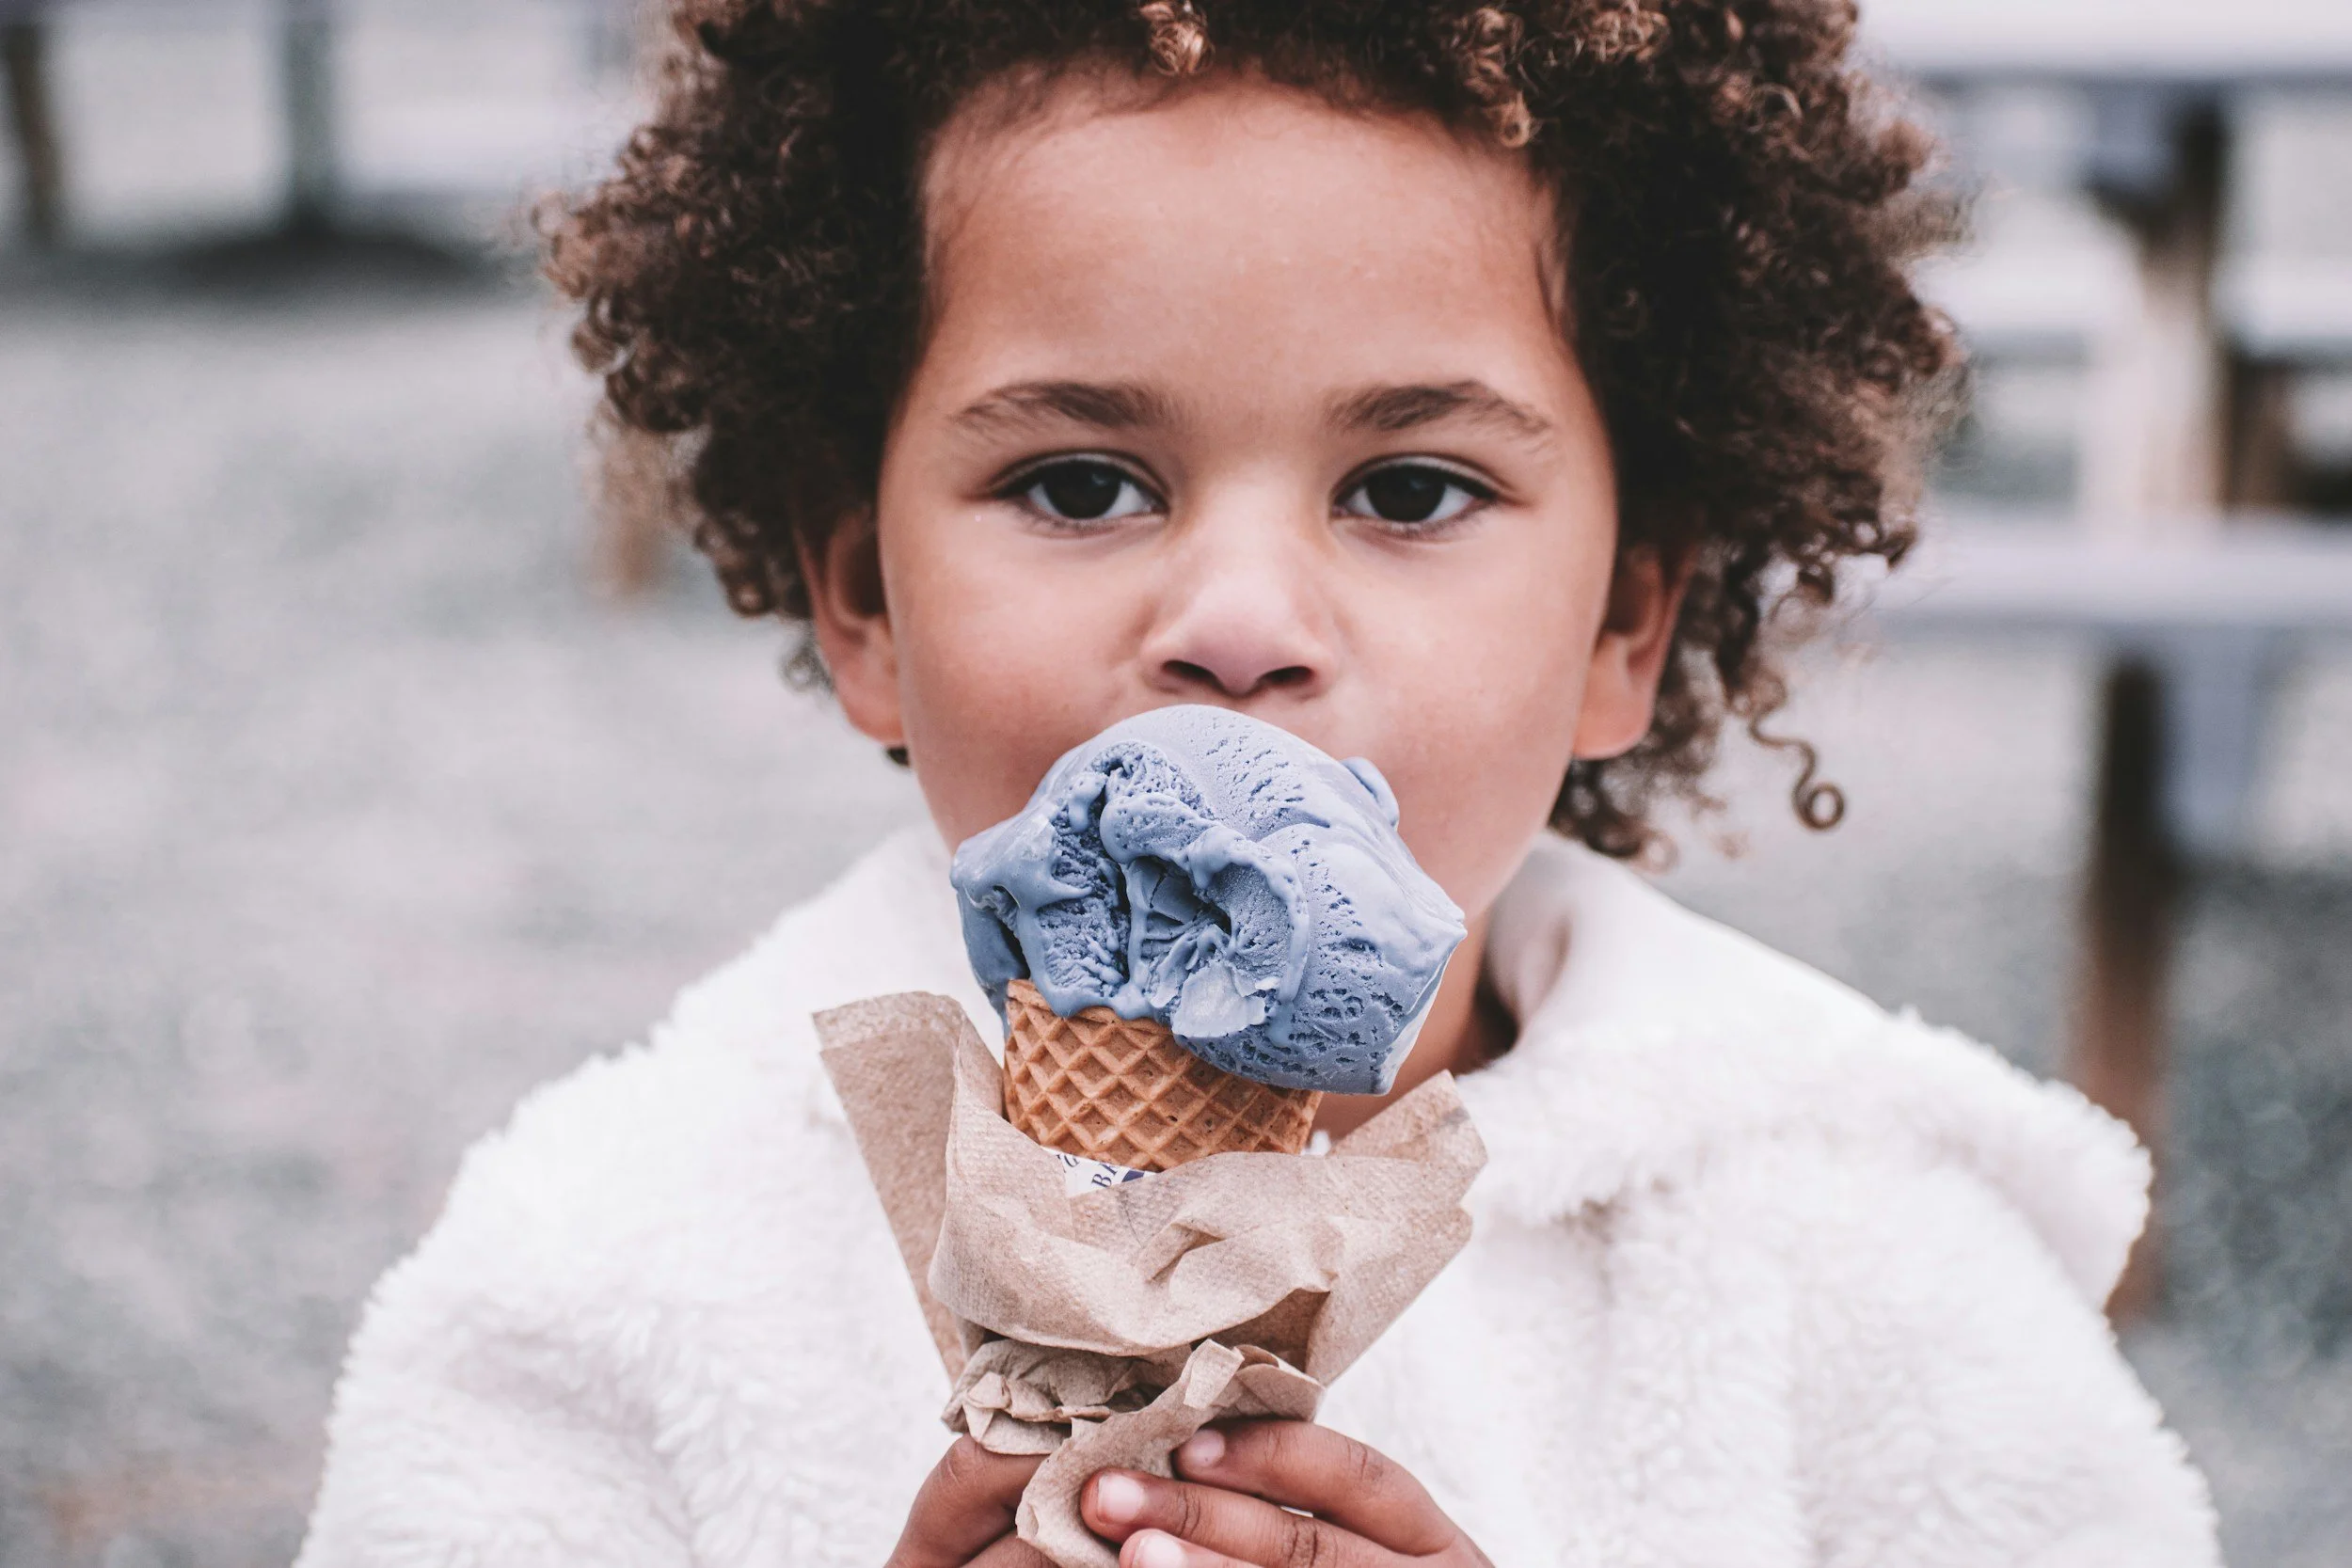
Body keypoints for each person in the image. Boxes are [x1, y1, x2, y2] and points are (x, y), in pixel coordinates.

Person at [295, 3, 2220, 1564]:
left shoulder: (1861, 1258)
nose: (1232, 618)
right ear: (861, 588)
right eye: (1077, 482)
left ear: (1627, 620)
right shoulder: (611, 1271)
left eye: (1405, 491)